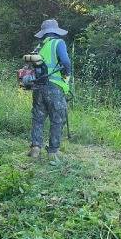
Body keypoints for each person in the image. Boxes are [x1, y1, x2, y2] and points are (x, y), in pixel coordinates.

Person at [28, 19, 72, 165]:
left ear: (44, 33)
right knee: (57, 119)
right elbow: (66, 62)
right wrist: (67, 74)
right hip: (54, 86)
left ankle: (35, 148)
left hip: (38, 86)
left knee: (38, 118)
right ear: (56, 30)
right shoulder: (58, 43)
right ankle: (53, 152)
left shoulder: (40, 46)